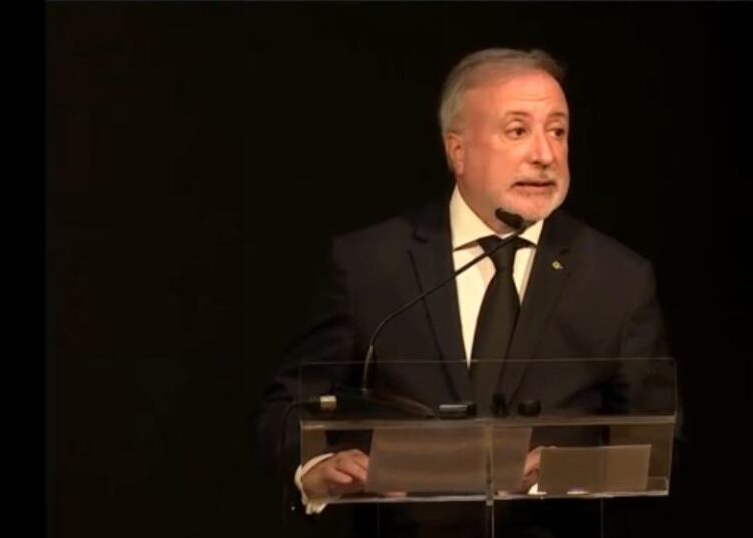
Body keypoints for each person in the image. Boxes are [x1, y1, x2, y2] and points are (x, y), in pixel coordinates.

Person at [258, 47, 672, 537]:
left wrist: (567, 471)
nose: (545, 154)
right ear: (458, 151)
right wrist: (315, 467)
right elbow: (287, 407)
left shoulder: (617, 279)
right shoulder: (370, 266)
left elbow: (658, 449)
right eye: (517, 131)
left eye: (558, 131)